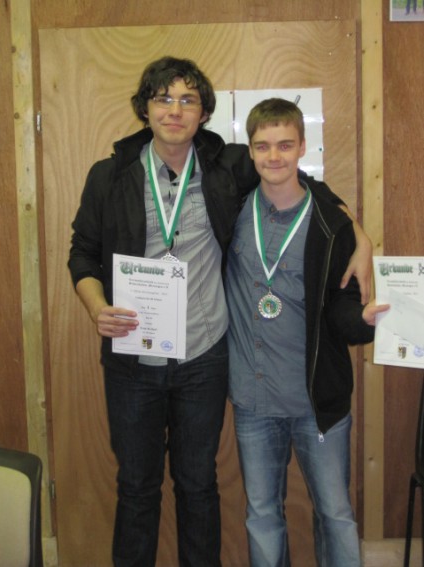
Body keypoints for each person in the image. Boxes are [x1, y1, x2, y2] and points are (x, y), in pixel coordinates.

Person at [68, 57, 372, 567]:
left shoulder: (224, 165)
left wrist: (358, 233)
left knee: (197, 484)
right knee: (136, 486)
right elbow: (82, 252)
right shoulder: (110, 176)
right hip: (133, 359)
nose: (174, 110)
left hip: (203, 360)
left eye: (187, 99)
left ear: (203, 112)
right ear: (145, 108)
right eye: (163, 98)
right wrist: (96, 306)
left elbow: (295, 178)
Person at [225, 98, 389, 567]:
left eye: (285, 145)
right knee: (261, 514)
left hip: (317, 401)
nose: (273, 156)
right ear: (250, 151)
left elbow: (342, 304)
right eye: (262, 146)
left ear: (302, 147)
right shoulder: (231, 208)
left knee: (336, 514)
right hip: (253, 399)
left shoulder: (331, 224)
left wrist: (364, 322)